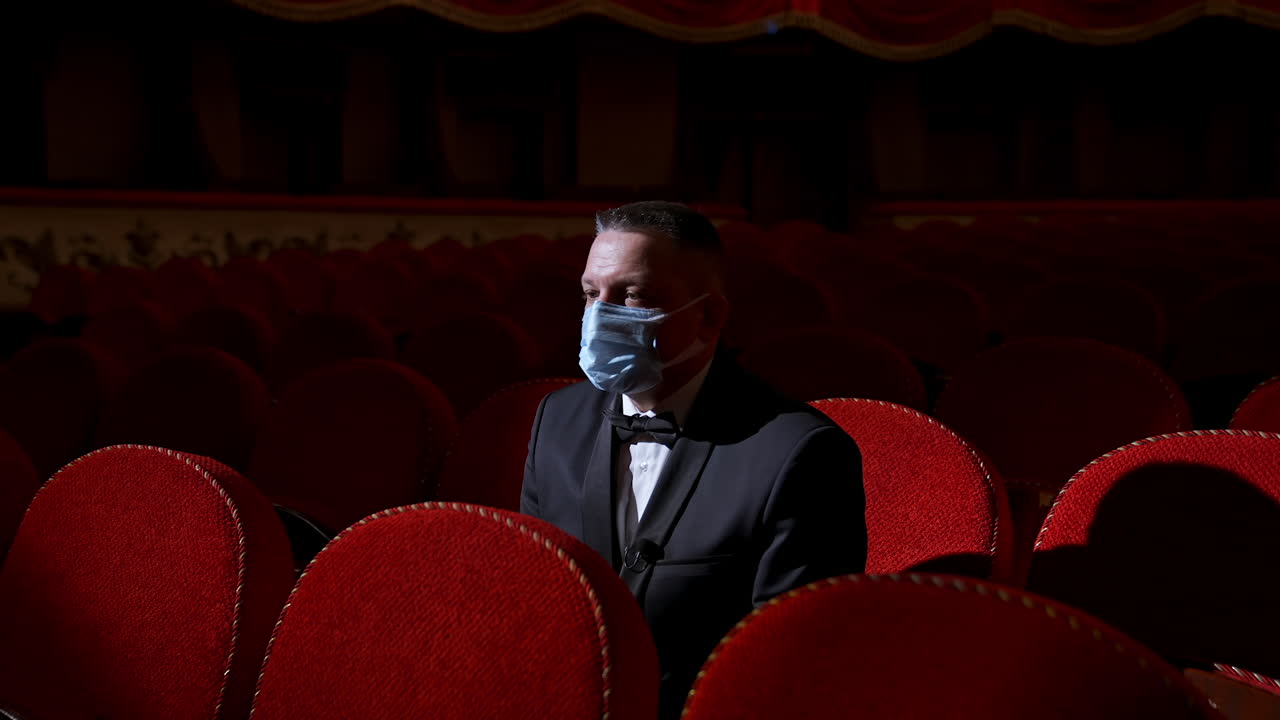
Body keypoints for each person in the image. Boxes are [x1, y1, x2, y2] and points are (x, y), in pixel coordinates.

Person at [520, 201, 866, 718]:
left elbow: (789, 660)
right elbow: (535, 593)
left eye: (632, 296)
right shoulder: (557, 419)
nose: (601, 315)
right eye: (592, 294)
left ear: (708, 316)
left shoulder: (799, 452)